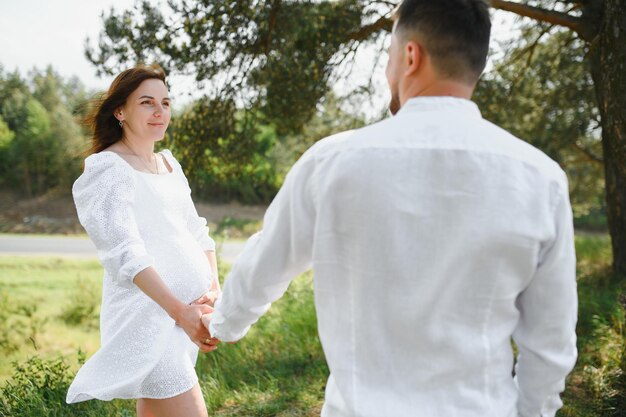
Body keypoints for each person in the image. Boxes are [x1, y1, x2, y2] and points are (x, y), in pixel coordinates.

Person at [203, 1, 578, 416]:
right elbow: (550, 343)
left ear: (411, 56)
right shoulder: (541, 179)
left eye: (388, 57)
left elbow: (265, 265)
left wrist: (221, 324)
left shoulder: (330, 163)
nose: (386, 73)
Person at [66, 64, 220, 417]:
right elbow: (125, 255)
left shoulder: (168, 164)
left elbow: (197, 231)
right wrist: (181, 312)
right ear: (120, 111)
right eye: (147, 102)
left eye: (165, 103)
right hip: (149, 319)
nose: (159, 112)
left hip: (184, 319)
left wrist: (213, 290)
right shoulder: (107, 169)